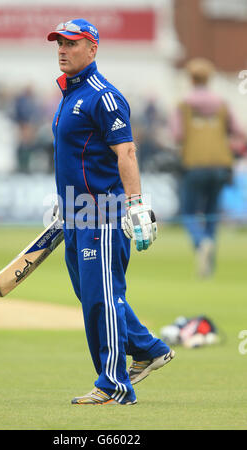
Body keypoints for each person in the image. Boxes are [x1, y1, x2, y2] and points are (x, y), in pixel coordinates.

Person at [47, 19, 175, 406]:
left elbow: (127, 152)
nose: (62, 49)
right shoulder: (70, 95)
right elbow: (76, 159)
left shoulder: (104, 96)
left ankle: (113, 385)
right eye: (59, 43)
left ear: (93, 48)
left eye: (71, 43)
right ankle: (149, 349)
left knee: (103, 297)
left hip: (102, 215)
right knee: (94, 296)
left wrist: (136, 206)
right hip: (76, 215)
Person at [171, 58, 246, 278]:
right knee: (212, 213)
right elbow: (239, 131)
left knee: (188, 211)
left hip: (193, 163)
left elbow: (177, 135)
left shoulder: (183, 105)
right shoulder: (222, 103)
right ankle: (209, 261)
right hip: (220, 163)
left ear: (191, 78)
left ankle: (200, 242)